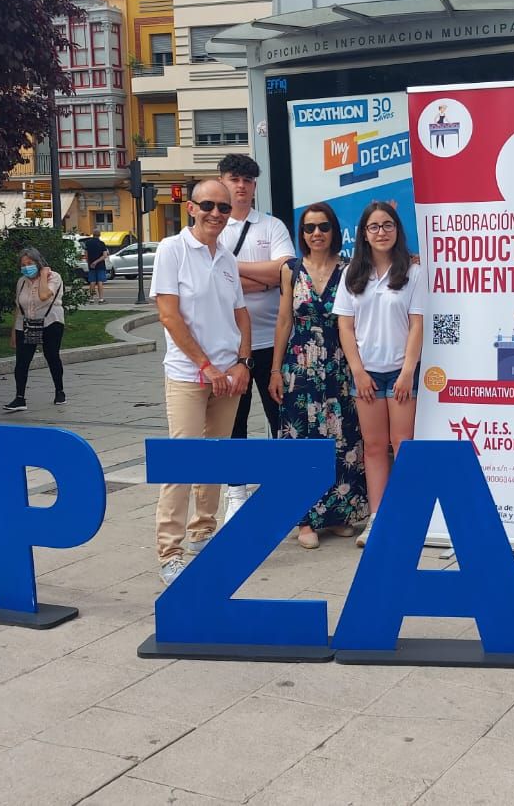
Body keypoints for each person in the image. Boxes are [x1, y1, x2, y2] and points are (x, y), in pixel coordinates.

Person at [149, 179, 252, 584]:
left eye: (224, 207)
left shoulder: (226, 257)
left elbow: (241, 315)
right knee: (182, 461)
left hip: (228, 375)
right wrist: (206, 365)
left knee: (215, 458)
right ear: (190, 207)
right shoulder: (172, 250)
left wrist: (242, 362)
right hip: (189, 375)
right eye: (208, 205)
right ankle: (169, 552)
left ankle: (203, 532)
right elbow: (169, 316)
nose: (216, 213)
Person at [269, 204, 367, 549]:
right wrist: (276, 369)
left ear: (334, 231)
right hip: (300, 367)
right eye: (309, 228)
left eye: (323, 227)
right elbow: (284, 321)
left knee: (342, 438)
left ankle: (338, 514)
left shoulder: (350, 269)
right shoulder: (291, 271)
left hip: (339, 364)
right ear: (302, 234)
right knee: (303, 439)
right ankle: (305, 519)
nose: (316, 233)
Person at [333, 201, 425, 548]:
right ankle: (377, 518)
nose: (382, 232)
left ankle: (404, 519)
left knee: (403, 447)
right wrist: (357, 371)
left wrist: (407, 372)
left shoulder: (413, 273)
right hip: (366, 374)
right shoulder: (352, 274)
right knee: (373, 447)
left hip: (401, 373)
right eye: (374, 227)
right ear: (364, 234)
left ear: (397, 230)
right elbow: (345, 326)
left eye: (388, 225)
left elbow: (417, 324)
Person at [216, 153, 296, 514]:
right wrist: (261, 281)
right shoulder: (212, 225)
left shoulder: (271, 226)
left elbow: (285, 270)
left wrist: (230, 269)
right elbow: (210, 282)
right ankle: (237, 492)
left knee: (280, 419)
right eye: (234, 178)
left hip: (273, 343)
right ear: (222, 181)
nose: (241, 186)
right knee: (236, 422)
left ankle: (283, 489)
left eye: (247, 180)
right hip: (228, 347)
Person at [5, 247, 65, 412]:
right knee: (22, 361)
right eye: (23, 264)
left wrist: (44, 275)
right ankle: (19, 398)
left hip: (51, 322)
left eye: (30, 263)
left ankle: (59, 391)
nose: (26, 267)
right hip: (28, 323)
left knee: (51, 356)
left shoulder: (54, 277)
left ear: (38, 263)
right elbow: (19, 307)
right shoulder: (22, 281)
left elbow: (44, 295)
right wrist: (14, 332)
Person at [83, 231, 110, 304]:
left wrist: (90, 263)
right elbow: (104, 255)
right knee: (100, 282)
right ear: (99, 235)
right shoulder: (101, 243)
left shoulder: (88, 243)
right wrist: (96, 262)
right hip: (100, 265)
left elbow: (86, 254)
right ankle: (101, 299)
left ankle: (91, 299)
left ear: (93, 235)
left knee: (92, 282)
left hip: (91, 265)